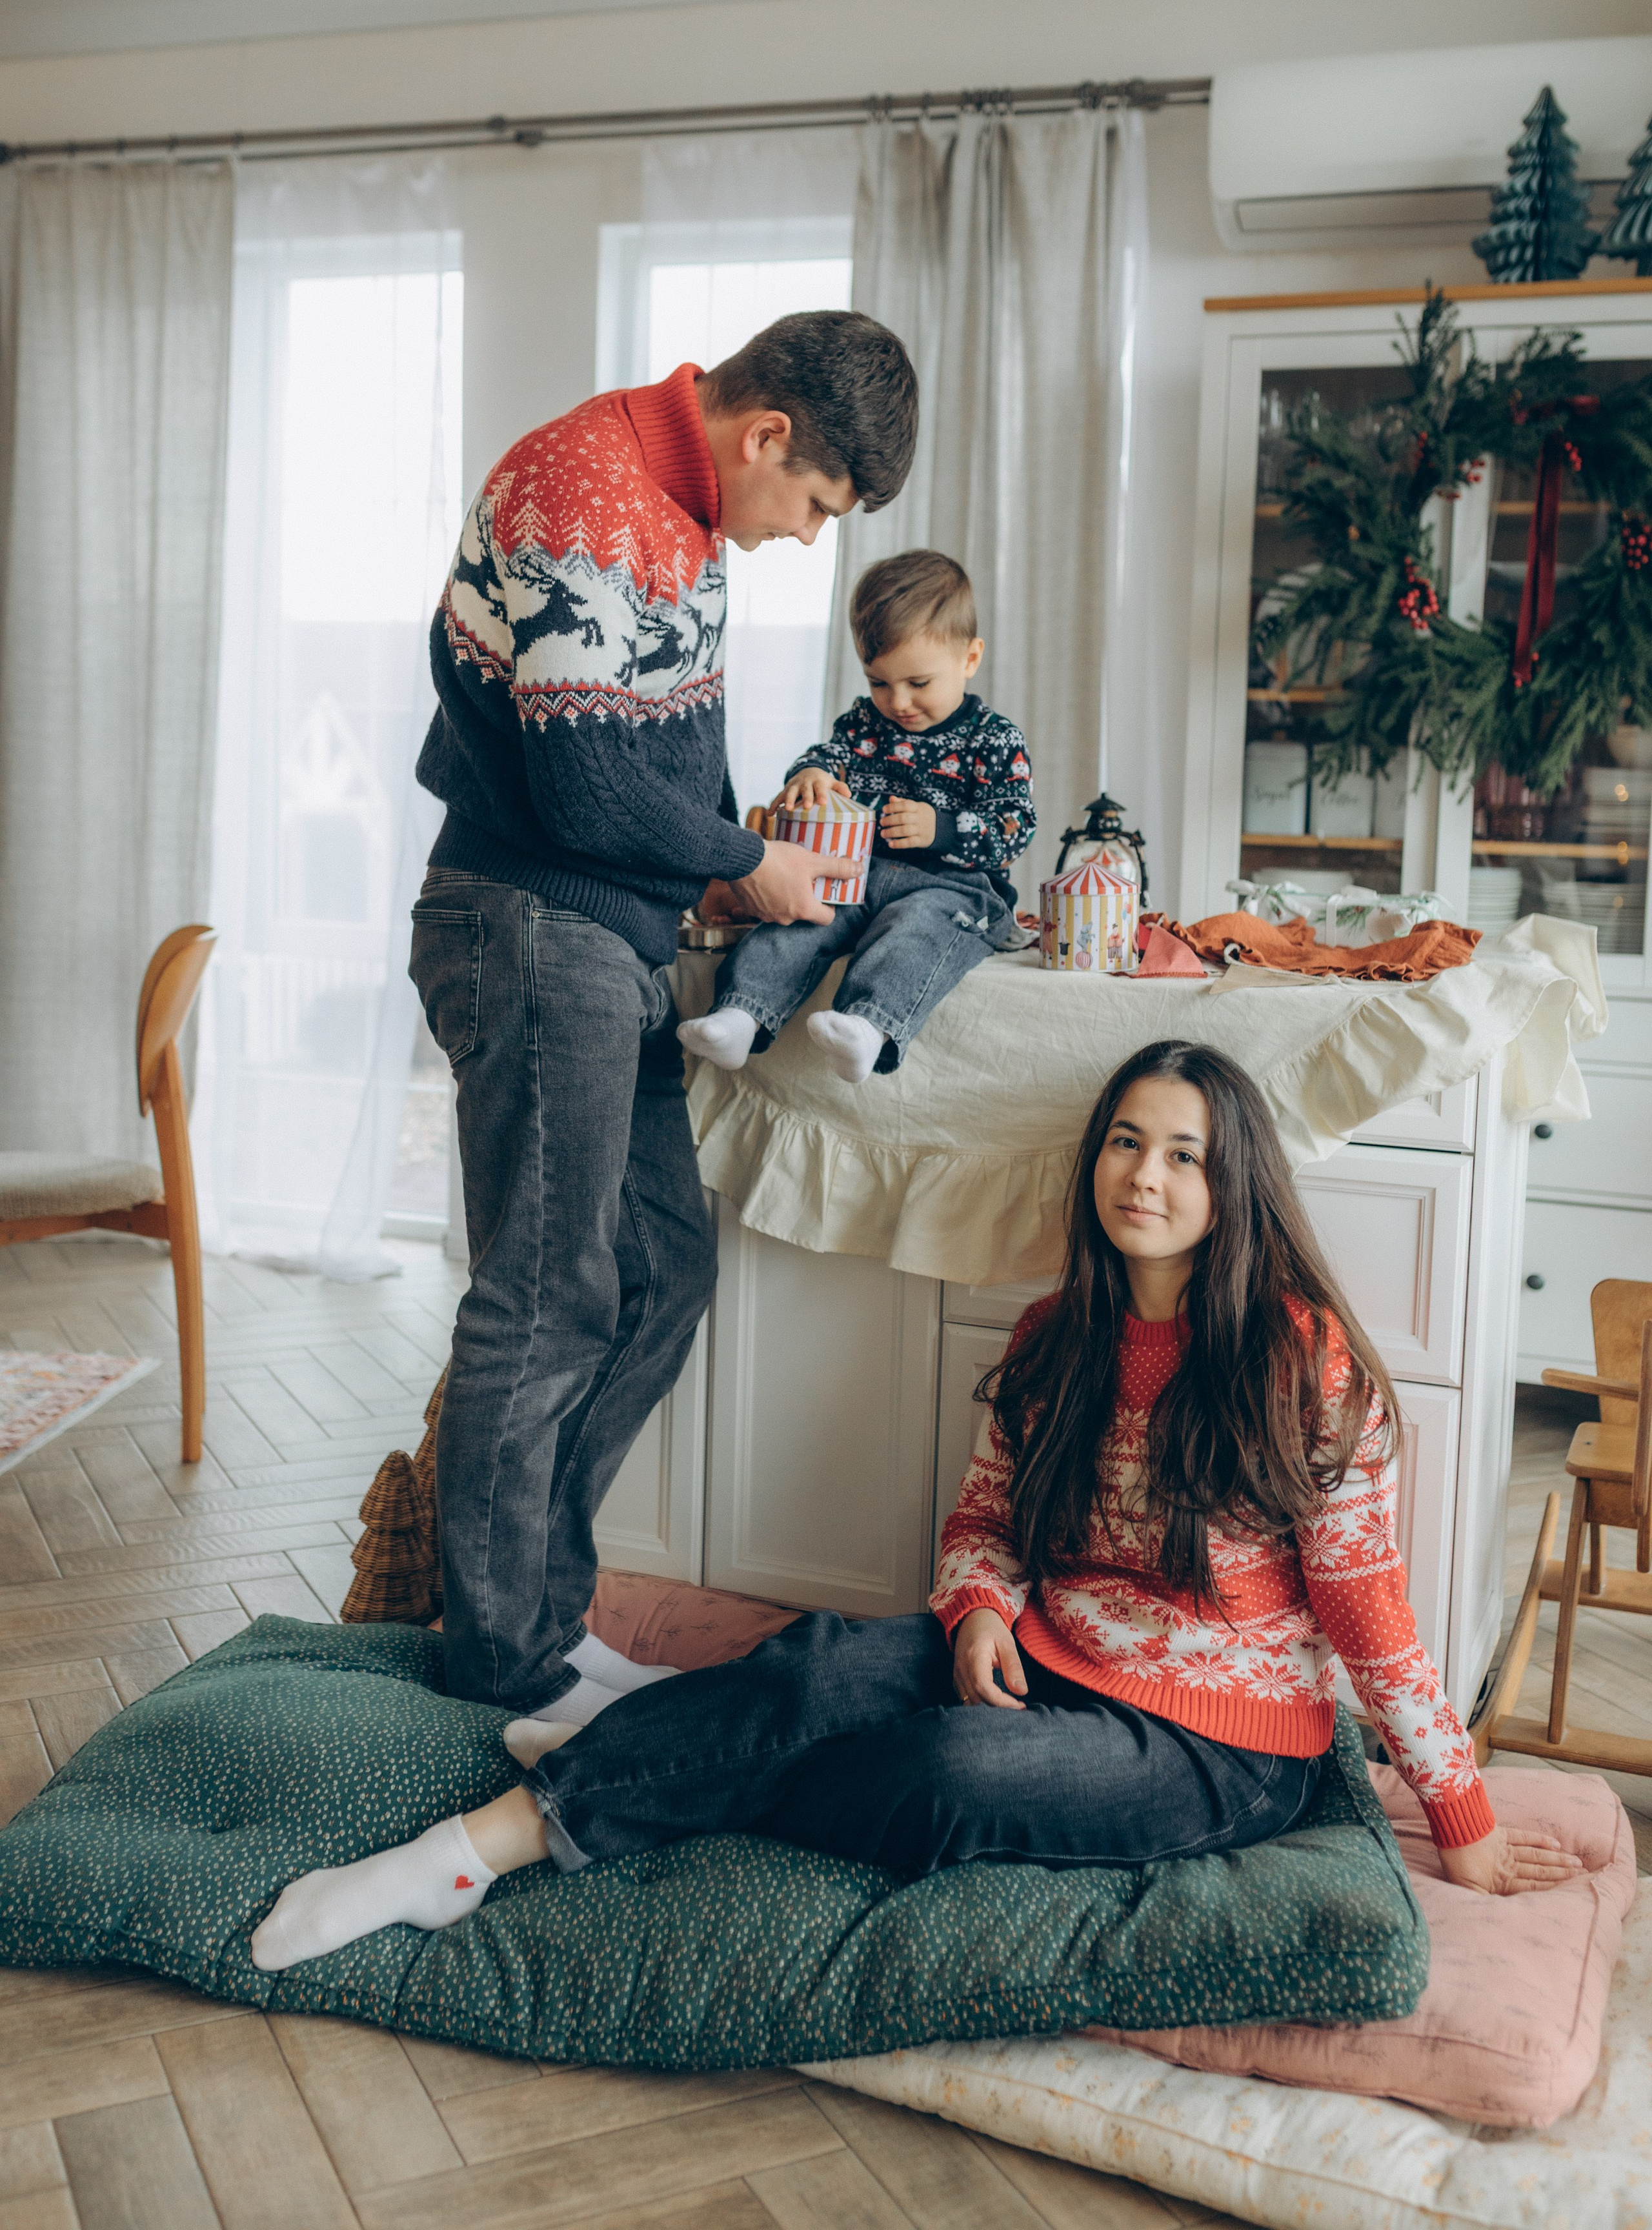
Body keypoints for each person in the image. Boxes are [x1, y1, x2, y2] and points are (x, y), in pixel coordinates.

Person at [251, 1038, 1578, 1972]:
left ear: (1234, 1185)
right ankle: (462, 1857)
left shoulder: (1302, 1360)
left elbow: (1368, 1611)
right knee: (823, 1659)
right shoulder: (1061, 1332)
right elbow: (982, 1522)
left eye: (1183, 1154)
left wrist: (1457, 1818)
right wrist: (983, 1608)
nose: (1145, 1176)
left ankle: (651, 1752)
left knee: (938, 1772)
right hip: (1045, 1661)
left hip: (1222, 1752)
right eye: (1124, 1141)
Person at [409, 312, 918, 1727]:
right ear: (766, 438)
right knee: (549, 1292)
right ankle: (496, 1674)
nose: (807, 539)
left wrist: (725, 874)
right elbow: (579, 794)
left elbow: (644, 754)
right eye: (815, 505)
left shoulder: (679, 515)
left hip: (597, 936)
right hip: (527, 925)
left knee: (655, 1276)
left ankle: (535, 1626)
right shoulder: (591, 487)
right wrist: (743, 865)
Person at [678, 550, 1034, 1085]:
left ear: (970, 658)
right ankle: (740, 1015)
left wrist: (940, 828)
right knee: (801, 919)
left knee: (914, 931)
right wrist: (811, 775)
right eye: (879, 683)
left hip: (954, 887)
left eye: (919, 682)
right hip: (857, 878)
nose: (899, 701)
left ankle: (869, 1027)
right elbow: (829, 754)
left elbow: (1014, 827)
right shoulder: (865, 724)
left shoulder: (994, 738)